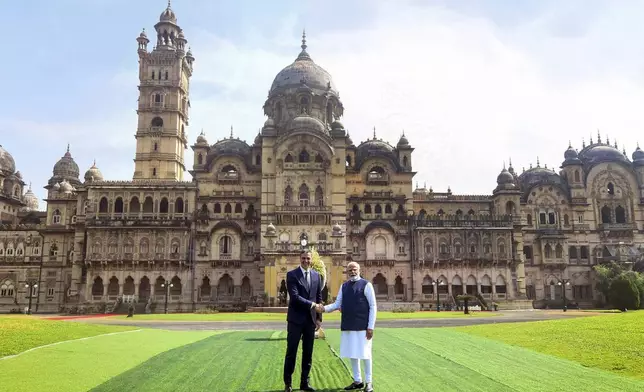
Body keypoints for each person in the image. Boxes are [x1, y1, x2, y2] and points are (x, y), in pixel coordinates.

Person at [317, 261, 377, 392]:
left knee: (366, 354)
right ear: (347, 272)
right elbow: (337, 304)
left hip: (363, 326)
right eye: (350, 270)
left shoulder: (366, 285)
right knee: (352, 353)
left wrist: (370, 327)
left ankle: (369, 382)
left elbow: (373, 306)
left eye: (354, 269)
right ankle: (357, 380)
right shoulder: (344, 286)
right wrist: (322, 309)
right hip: (348, 325)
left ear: (359, 270)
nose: (352, 271)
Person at [283, 250, 323, 392]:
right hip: (295, 320)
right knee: (291, 352)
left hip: (310, 320)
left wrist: (319, 319)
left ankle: (304, 383)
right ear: (299, 259)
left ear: (311, 259)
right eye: (303, 258)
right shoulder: (292, 275)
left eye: (308, 258)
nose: (306, 260)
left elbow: (319, 297)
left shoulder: (316, 276)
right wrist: (312, 305)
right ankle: (288, 383)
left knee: (308, 353)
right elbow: (294, 297)